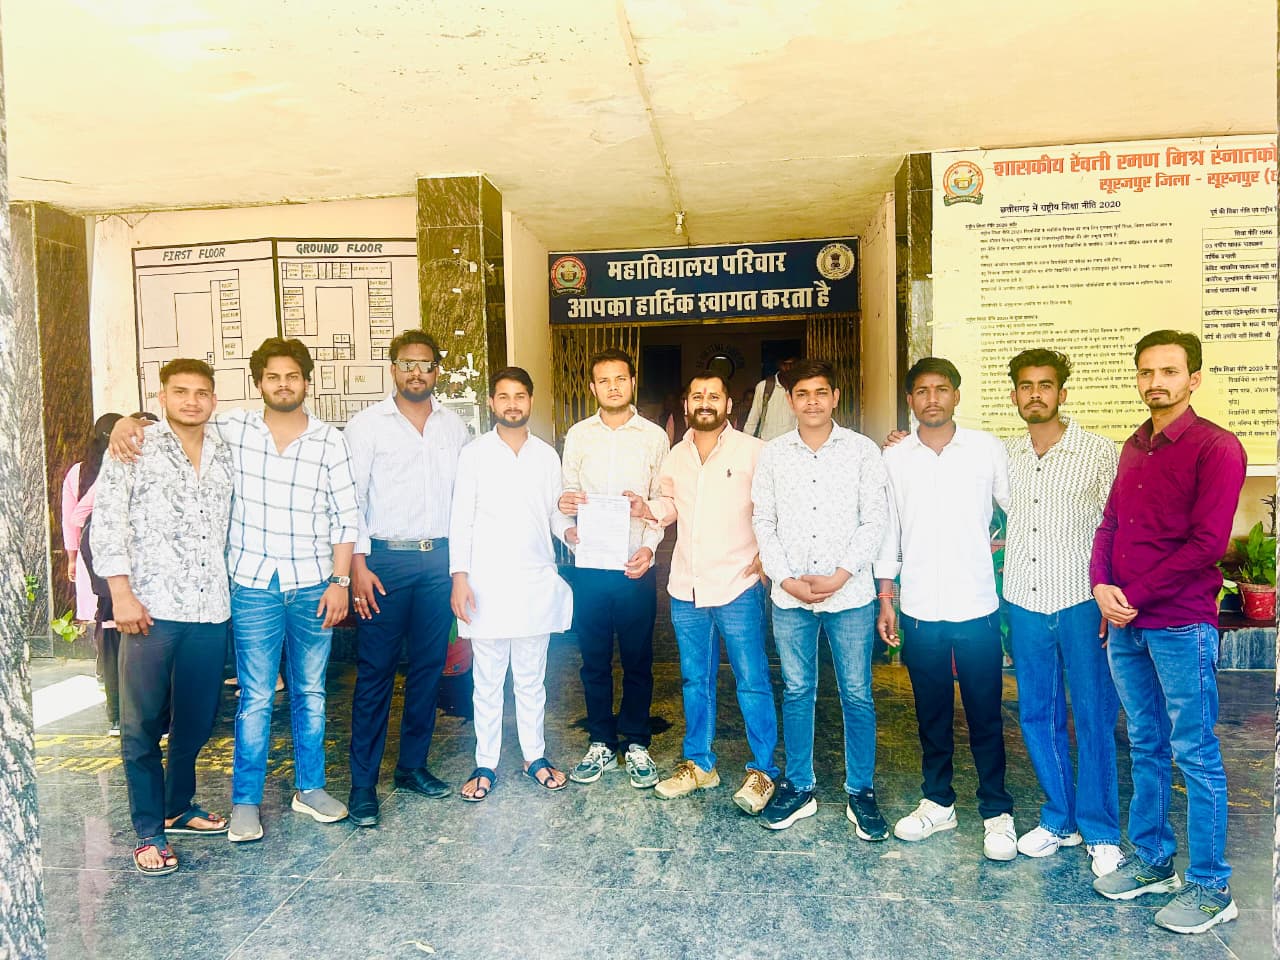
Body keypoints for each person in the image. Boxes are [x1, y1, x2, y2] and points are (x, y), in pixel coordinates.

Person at [110, 336, 359, 843]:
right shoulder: (233, 429)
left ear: (306, 383)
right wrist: (125, 422)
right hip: (251, 585)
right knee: (256, 695)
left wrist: (340, 581)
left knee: (311, 692)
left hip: (312, 583)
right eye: (273, 377)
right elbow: (173, 422)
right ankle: (246, 801)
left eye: (292, 376)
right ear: (258, 383)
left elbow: (346, 516)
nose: (283, 385)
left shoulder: (330, 441)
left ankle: (310, 788)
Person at [1089, 330, 1246, 935]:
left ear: (1193, 379)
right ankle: (1154, 860)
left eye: (1170, 371)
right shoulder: (1135, 445)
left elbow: (1208, 544)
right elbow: (1109, 524)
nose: (1156, 382)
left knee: (1195, 752)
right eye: (1147, 371)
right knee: (1146, 744)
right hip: (1127, 623)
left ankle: (1211, 887)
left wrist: (1132, 596)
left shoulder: (1216, 447)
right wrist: (1101, 587)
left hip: (1180, 622)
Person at [91, 359, 234, 875]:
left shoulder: (226, 447)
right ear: (162, 396)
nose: (192, 401)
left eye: (201, 392)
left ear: (214, 399)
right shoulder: (135, 445)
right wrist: (120, 594)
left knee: (197, 720)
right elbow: (107, 521)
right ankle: (149, 830)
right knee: (142, 724)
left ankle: (178, 805)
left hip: (210, 608)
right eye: (180, 391)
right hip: (149, 609)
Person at [875, 356, 1016, 861]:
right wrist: (886, 596)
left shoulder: (986, 449)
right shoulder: (895, 458)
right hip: (919, 608)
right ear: (910, 400)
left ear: (957, 394)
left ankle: (997, 812)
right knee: (930, 714)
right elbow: (888, 530)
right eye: (921, 391)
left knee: (985, 715)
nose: (931, 398)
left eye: (941, 389)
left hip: (976, 605)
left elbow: (1018, 511)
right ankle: (938, 802)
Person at [751, 358, 891, 834]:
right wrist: (785, 578)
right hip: (791, 597)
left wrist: (841, 575)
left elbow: (874, 520)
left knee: (857, 692)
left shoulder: (862, 451)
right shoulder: (773, 454)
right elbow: (763, 520)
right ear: (790, 401)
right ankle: (799, 786)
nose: (812, 402)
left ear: (835, 397)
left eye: (821, 392)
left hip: (849, 596)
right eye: (802, 394)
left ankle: (861, 791)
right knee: (796, 690)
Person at [632, 371, 779, 814]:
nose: (705, 402)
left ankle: (763, 771)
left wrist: (769, 555)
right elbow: (671, 505)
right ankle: (699, 764)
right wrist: (646, 508)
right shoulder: (675, 456)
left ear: (729, 405)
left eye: (714, 395)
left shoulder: (755, 451)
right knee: (696, 680)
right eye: (697, 395)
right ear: (686, 405)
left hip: (739, 584)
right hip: (687, 586)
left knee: (752, 680)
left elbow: (775, 506)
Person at [1001, 350, 1123, 876]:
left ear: (1062, 393)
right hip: (1024, 601)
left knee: (1093, 714)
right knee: (1037, 713)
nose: (1036, 394)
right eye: (1026, 386)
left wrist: (1110, 594)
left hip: (1081, 601)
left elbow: (1118, 526)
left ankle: (1101, 830)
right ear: (1014, 395)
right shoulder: (1004, 454)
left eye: (1045, 385)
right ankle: (1059, 819)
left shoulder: (1097, 451)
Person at [343, 329, 470, 827]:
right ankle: (362, 785)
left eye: (426, 364)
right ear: (393, 369)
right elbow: (350, 499)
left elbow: (466, 501)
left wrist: (461, 568)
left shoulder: (454, 427)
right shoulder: (366, 426)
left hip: (439, 560)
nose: (417, 372)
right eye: (407, 363)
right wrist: (357, 564)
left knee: (428, 668)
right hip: (384, 564)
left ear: (437, 371)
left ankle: (412, 766)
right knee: (375, 671)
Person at [450, 367, 573, 800]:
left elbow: (555, 512)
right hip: (486, 583)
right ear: (491, 403)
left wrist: (572, 531)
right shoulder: (474, 454)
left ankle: (534, 756)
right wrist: (459, 578)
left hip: (534, 581)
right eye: (503, 396)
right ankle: (486, 762)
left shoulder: (546, 456)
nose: (512, 404)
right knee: (486, 680)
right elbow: (460, 520)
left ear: (531, 400)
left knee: (531, 679)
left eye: (520, 396)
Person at [557, 347, 668, 788]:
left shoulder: (654, 437)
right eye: (604, 380)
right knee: (594, 659)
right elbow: (565, 496)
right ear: (592, 388)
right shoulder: (578, 436)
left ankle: (637, 741)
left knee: (639, 659)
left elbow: (662, 500)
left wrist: (651, 549)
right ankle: (601, 740)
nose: (613, 387)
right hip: (590, 566)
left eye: (620, 378)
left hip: (634, 565)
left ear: (632, 382)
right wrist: (566, 520)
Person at [62, 412, 124, 733]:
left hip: (93, 558)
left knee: (106, 623)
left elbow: (71, 518)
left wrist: (72, 557)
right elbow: (76, 515)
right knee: (114, 624)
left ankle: (108, 679)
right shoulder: (119, 466)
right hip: (110, 560)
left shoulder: (79, 471)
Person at [742, 357, 797, 441]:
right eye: (785, 364)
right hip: (768, 444)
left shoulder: (800, 387)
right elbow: (752, 420)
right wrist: (745, 444)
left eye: (792, 364)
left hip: (794, 445)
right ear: (778, 365)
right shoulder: (764, 387)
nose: (788, 368)